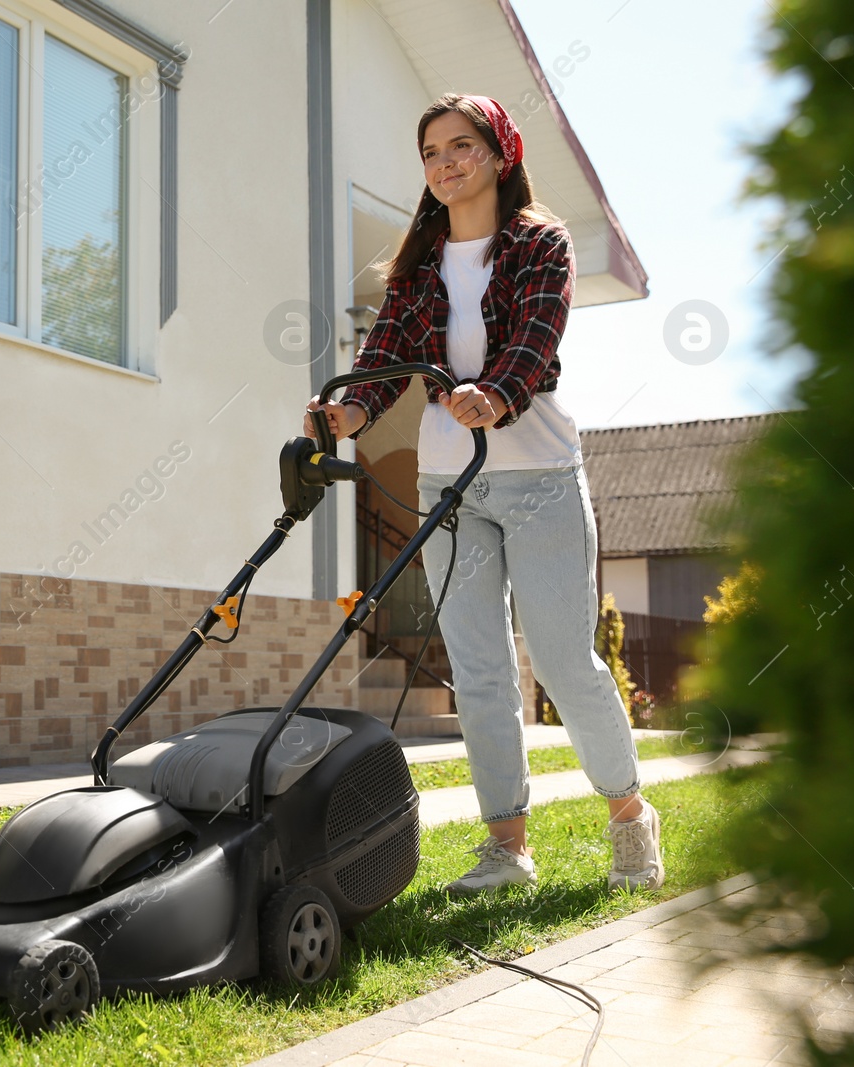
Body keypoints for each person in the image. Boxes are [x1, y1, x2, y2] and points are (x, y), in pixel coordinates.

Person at [303, 93, 663, 895]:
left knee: (566, 659)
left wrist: (496, 394)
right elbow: (387, 354)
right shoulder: (418, 266)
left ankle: (631, 816)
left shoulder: (541, 242)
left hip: (537, 473)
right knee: (479, 663)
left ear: (500, 153)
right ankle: (508, 846)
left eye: (460, 145)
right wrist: (349, 410)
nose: (444, 163)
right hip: (450, 481)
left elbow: (537, 336)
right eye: (430, 151)